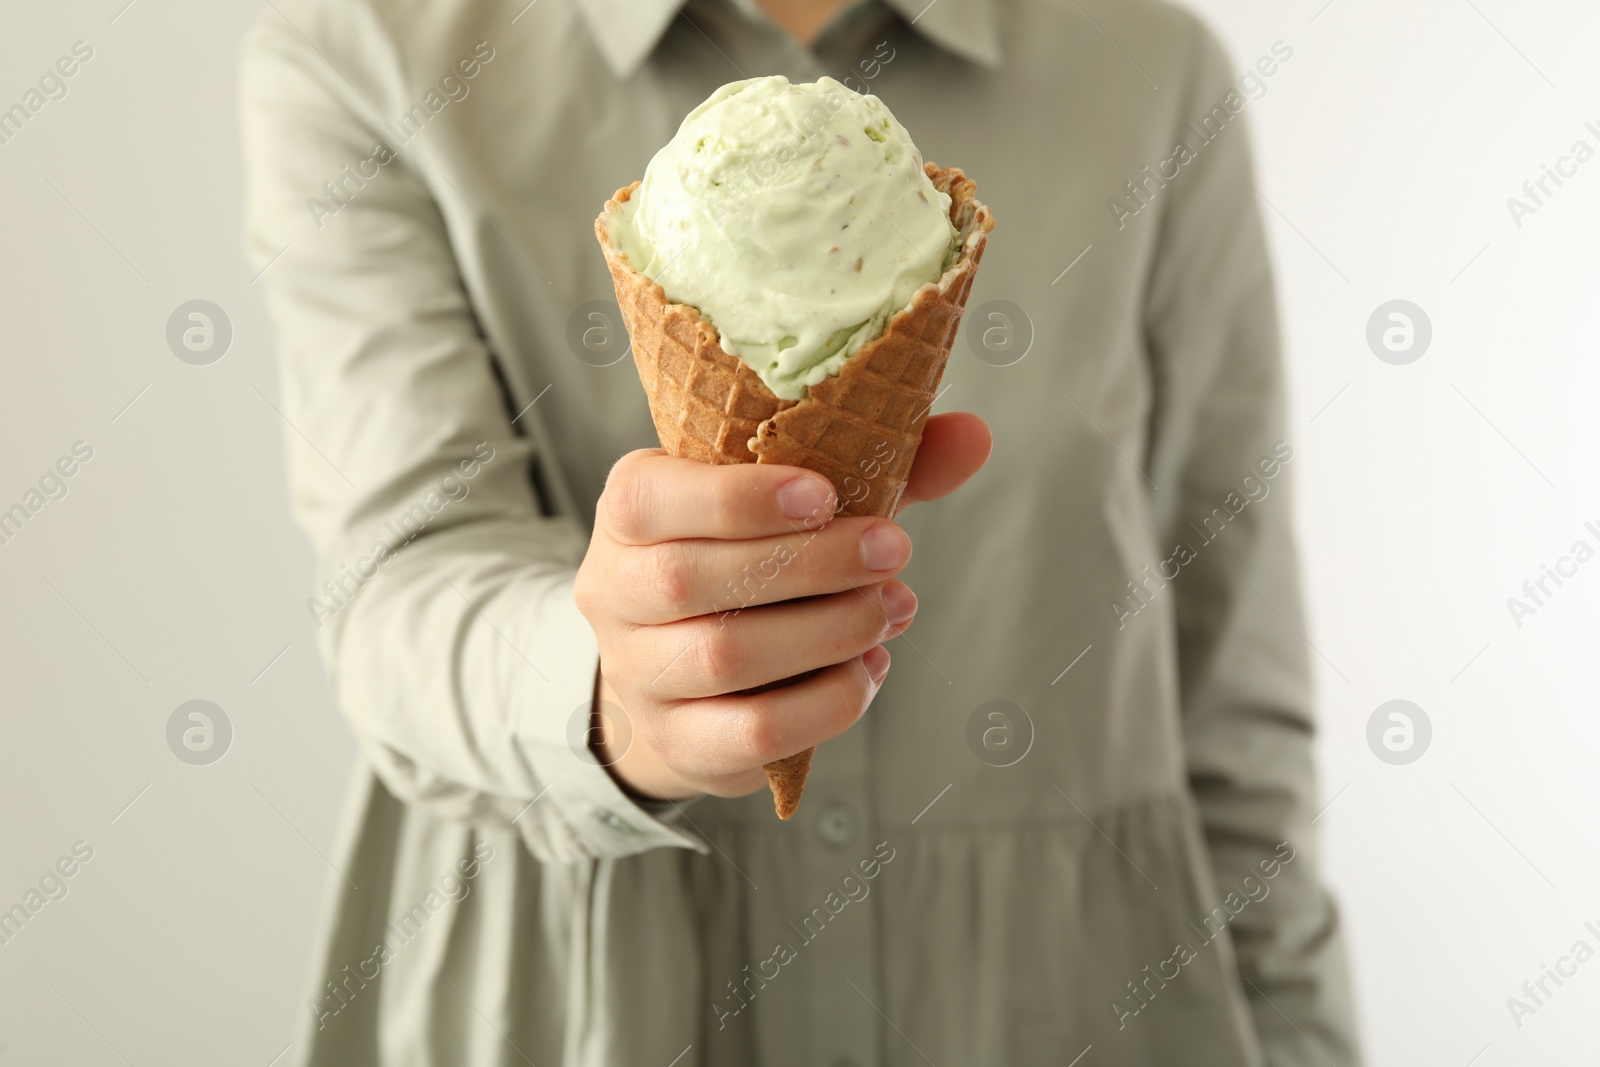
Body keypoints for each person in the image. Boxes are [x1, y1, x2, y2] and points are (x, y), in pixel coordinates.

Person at [240, 0, 1361, 1063]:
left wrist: (1301, 1034)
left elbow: (1231, 666)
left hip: (1064, 993)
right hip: (584, 996)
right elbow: (400, 579)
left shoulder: (1148, 71)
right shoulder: (369, 50)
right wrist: (614, 690)